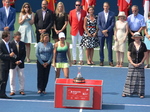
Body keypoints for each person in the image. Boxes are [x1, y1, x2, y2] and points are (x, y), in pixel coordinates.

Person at [122, 32, 147, 99]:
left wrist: (141, 62)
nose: (137, 38)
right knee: (129, 78)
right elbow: (128, 54)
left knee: (140, 79)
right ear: (134, 38)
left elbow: (145, 55)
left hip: (140, 64)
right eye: (136, 37)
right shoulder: (131, 45)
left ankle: (141, 93)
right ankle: (125, 92)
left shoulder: (143, 45)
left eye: (138, 37)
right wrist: (132, 63)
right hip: (132, 64)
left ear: (140, 38)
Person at [97, 2, 115, 66]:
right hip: (101, 34)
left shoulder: (112, 14)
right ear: (103, 7)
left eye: (107, 6)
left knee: (109, 48)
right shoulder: (100, 14)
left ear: (109, 7)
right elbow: (98, 24)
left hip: (109, 33)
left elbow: (112, 24)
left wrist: (107, 30)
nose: (106, 7)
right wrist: (103, 31)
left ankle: (110, 61)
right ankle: (101, 61)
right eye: (105, 6)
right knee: (101, 47)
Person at [69, 0, 86, 65]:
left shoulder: (84, 12)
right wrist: (73, 27)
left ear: (81, 5)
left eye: (79, 5)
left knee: (81, 46)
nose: (77, 6)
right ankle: (74, 59)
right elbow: (70, 21)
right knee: (73, 45)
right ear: (75, 5)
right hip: (74, 31)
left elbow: (84, 21)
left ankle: (81, 59)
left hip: (81, 31)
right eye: (76, 5)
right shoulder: (71, 12)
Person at [9, 31, 26, 96]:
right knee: (12, 78)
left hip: (20, 64)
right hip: (12, 64)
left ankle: (21, 90)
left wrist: (20, 61)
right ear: (14, 37)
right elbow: (10, 55)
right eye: (18, 38)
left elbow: (24, 54)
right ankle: (12, 90)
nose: (19, 39)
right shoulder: (10, 44)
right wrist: (14, 61)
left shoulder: (22, 44)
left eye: (20, 38)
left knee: (22, 77)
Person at [0, 31, 15, 99]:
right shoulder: (0, 44)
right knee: (1, 79)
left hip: (7, 65)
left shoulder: (9, 44)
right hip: (2, 65)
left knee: (5, 79)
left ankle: (2, 93)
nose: (10, 37)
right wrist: (9, 55)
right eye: (8, 36)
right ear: (5, 37)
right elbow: (1, 55)